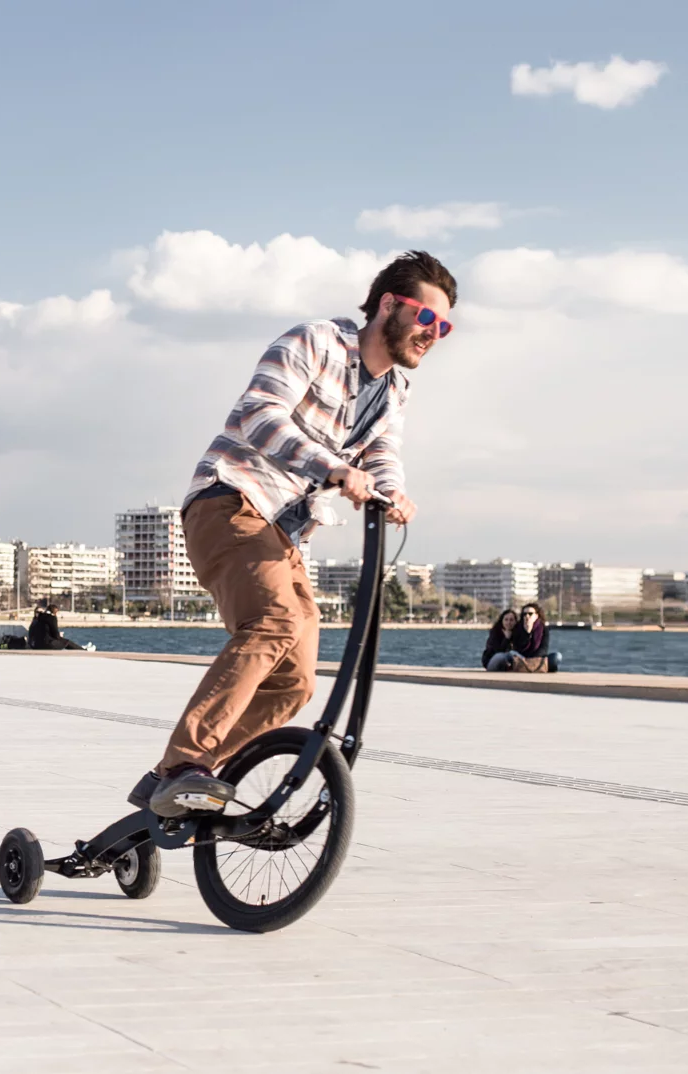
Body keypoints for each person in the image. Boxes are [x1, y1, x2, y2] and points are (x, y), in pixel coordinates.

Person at [130, 251, 452, 818]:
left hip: (287, 533)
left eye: (444, 327)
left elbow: (381, 453)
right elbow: (259, 414)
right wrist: (330, 466)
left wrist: (392, 490)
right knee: (275, 621)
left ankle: (170, 779)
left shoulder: (394, 389)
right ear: (389, 306)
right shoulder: (317, 342)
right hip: (233, 498)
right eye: (427, 319)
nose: (435, 334)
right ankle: (186, 765)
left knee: (295, 681)